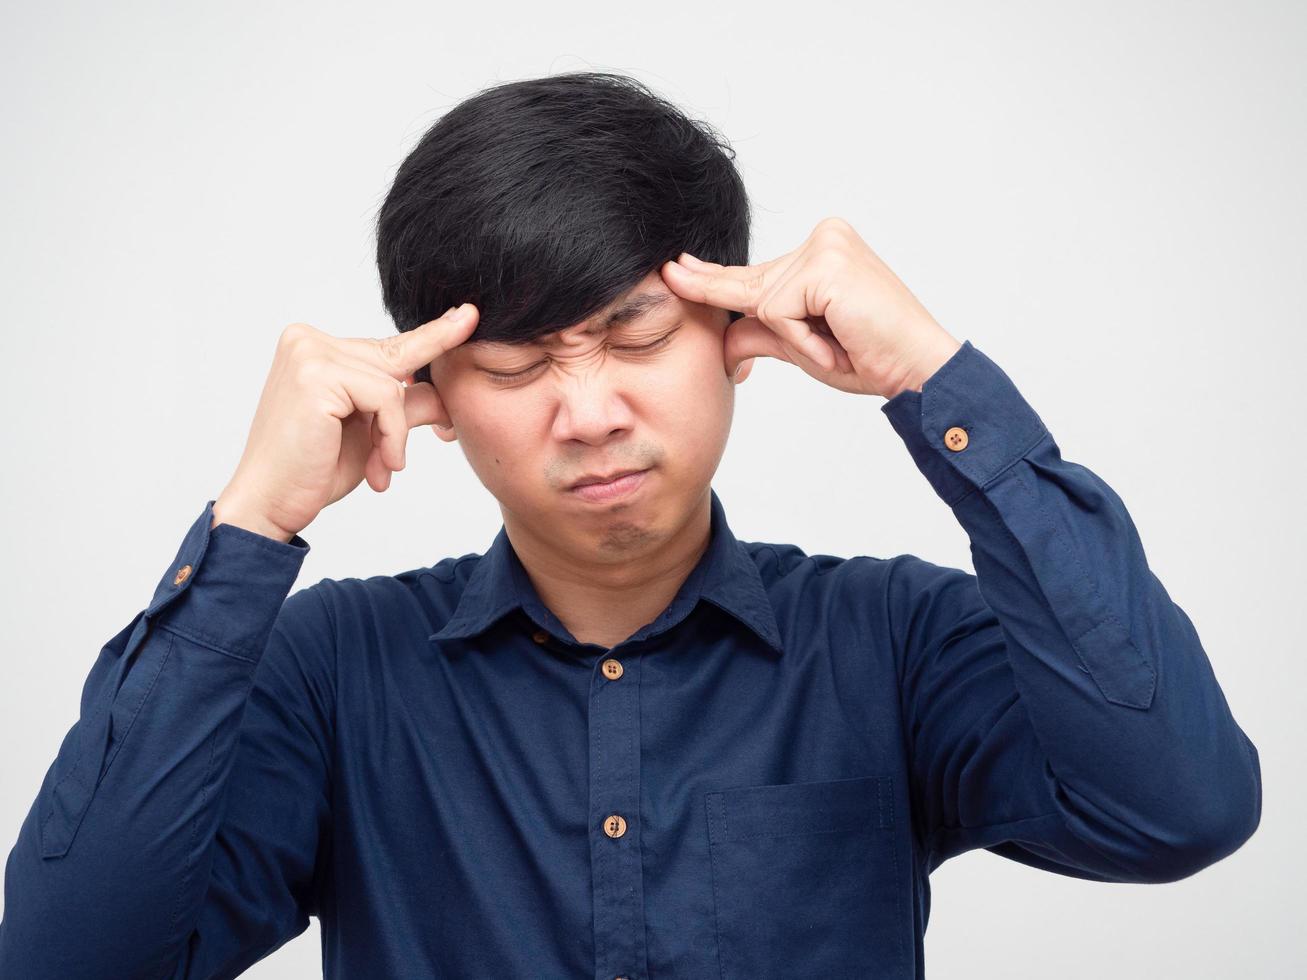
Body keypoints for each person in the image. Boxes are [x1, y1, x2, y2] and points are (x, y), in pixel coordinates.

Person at [0, 71, 1260, 980]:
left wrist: (932, 377)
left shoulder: (892, 638)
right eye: (517, 363)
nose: (589, 410)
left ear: (734, 340)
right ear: (432, 395)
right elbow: (67, 956)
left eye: (637, 337)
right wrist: (252, 525)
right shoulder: (335, 671)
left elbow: (1178, 808)